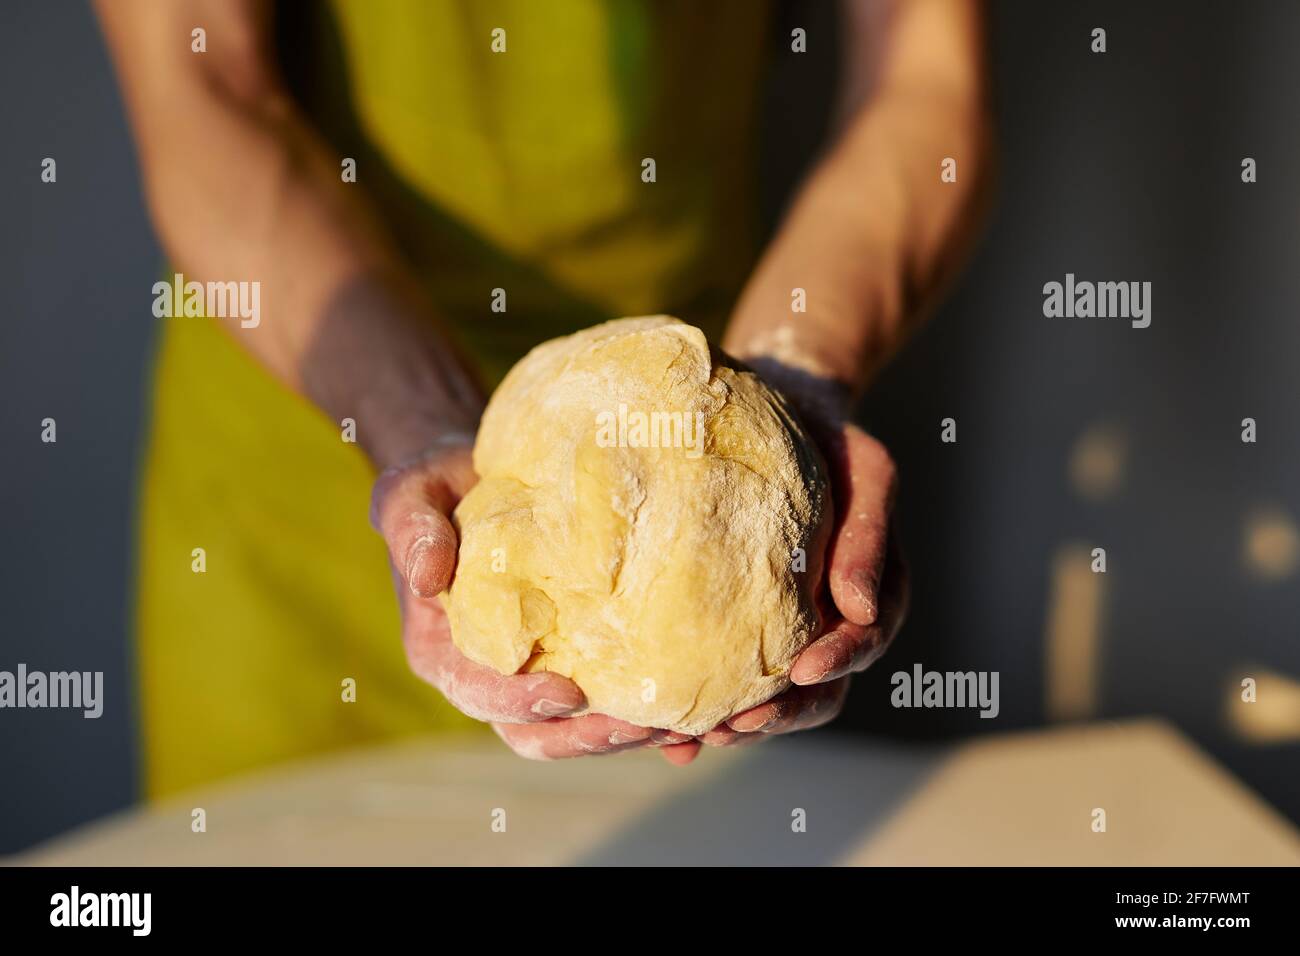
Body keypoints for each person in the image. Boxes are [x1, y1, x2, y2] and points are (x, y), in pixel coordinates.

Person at [94, 0, 991, 797]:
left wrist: (802, 365)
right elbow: (201, 84)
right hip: (304, 452)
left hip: (712, 411)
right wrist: (420, 425)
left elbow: (922, 80)